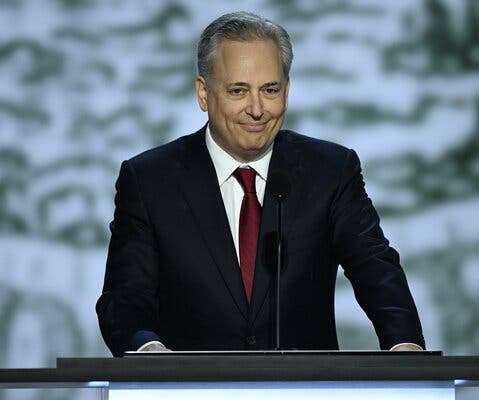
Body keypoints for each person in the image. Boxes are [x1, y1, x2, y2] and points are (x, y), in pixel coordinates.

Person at [96, 11, 425, 356]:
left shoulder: (330, 171)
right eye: (238, 90)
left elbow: (375, 268)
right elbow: (124, 298)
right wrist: (149, 351)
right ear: (204, 94)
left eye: (270, 90)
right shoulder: (151, 181)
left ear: (287, 91)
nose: (257, 109)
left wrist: (406, 346)